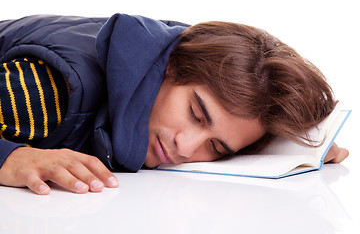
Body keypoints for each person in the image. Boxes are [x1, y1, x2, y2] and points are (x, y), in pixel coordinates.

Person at [0, 13, 349, 195]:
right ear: (171, 68)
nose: (185, 147)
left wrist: (286, 146)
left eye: (216, 146)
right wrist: (11, 158)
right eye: (196, 114)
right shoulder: (46, 95)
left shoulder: (184, 49)